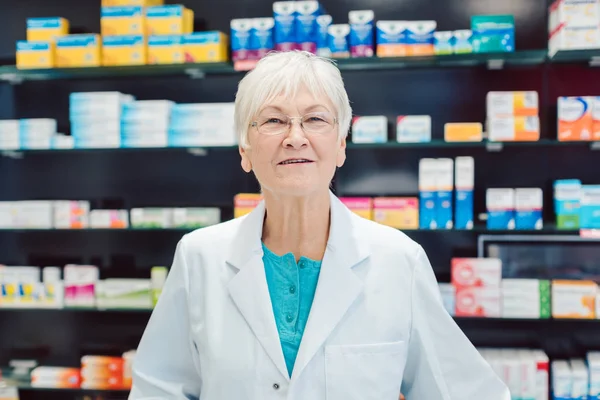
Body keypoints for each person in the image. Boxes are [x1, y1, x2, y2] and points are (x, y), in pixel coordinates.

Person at [129, 50, 511, 400]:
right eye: (274, 121)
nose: (296, 138)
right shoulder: (200, 257)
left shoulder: (398, 261)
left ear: (342, 144)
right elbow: (158, 390)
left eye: (315, 119)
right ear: (245, 150)